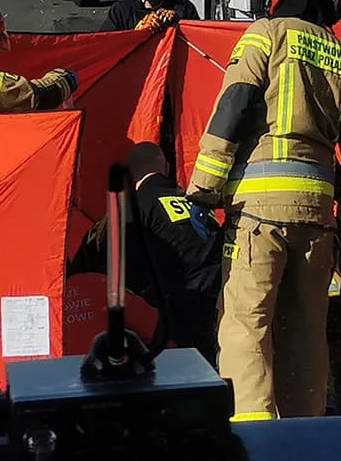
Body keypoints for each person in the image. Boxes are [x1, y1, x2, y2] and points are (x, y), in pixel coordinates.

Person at [187, 0, 341, 421]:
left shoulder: (265, 35)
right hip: (317, 218)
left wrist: (204, 189)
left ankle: (253, 439)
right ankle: (303, 437)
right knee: (306, 332)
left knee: (246, 327)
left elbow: (236, 104)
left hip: (259, 214)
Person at [67, 140, 224, 358]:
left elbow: (125, 266)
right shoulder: (195, 202)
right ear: (166, 168)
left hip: (178, 310)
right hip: (220, 299)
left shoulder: (133, 206)